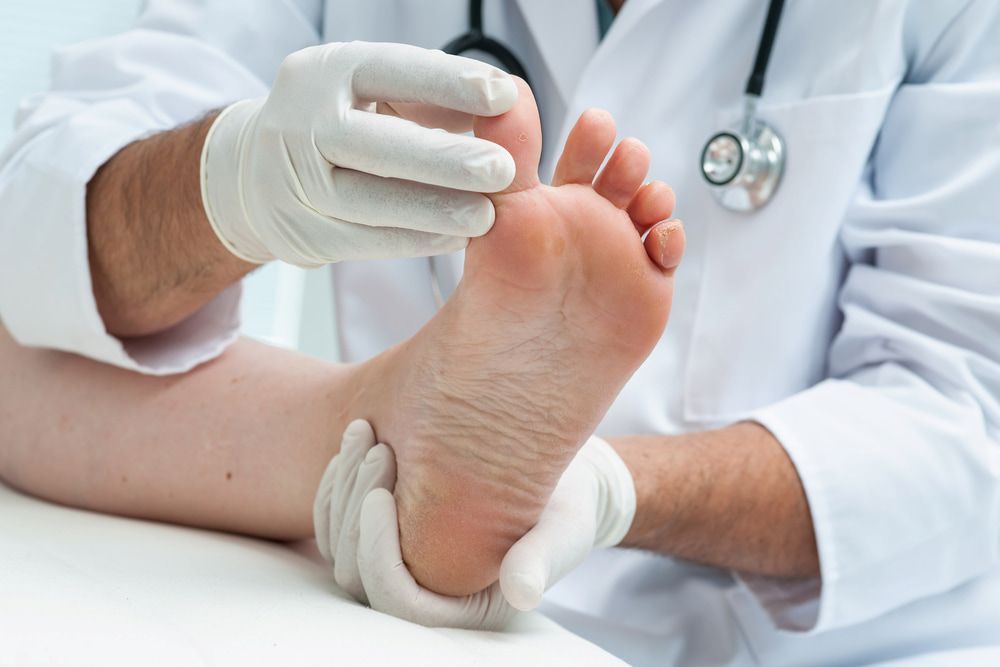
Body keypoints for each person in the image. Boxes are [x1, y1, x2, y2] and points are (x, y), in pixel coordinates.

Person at [1, 1, 999, 665]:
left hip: (842, 644)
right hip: (408, 599)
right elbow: (34, 215)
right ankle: (402, 428)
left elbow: (966, 414)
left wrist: (607, 485)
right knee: (18, 357)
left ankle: (405, 438)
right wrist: (227, 182)